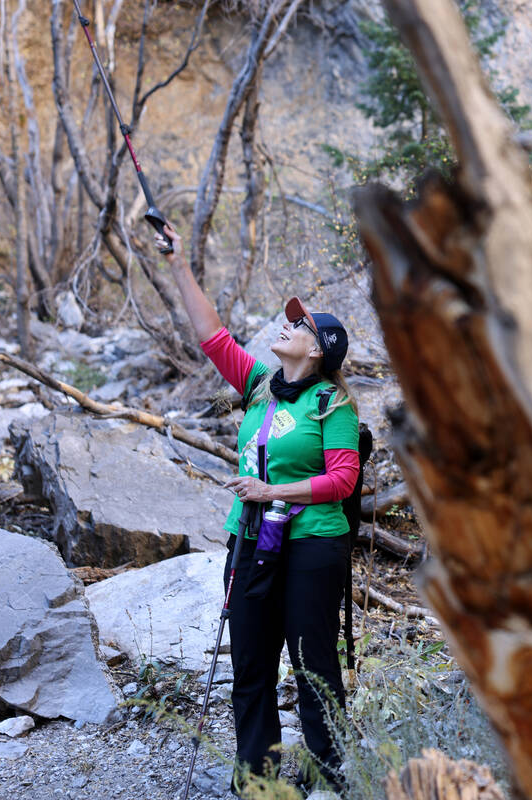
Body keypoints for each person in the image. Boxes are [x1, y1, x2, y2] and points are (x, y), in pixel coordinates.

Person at [157, 225, 359, 793]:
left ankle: (330, 777)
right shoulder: (260, 385)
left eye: (301, 325)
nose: (288, 324)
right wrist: (179, 266)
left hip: (313, 545)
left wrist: (274, 492)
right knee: (249, 667)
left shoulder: (332, 403)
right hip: (249, 542)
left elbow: (343, 480)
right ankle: (259, 780)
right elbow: (211, 335)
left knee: (313, 668)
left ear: (318, 350)